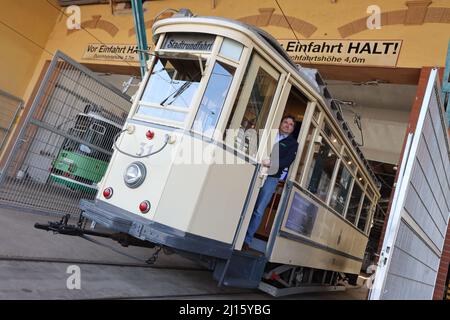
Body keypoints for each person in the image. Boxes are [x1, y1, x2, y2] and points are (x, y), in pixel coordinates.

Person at [243, 115, 299, 250]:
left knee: (258, 209)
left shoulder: (293, 144)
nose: (287, 125)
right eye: (285, 122)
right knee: (246, 202)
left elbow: (287, 162)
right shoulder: (269, 134)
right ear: (280, 123)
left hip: (272, 177)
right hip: (255, 170)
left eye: (291, 124)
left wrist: (271, 163)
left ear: (293, 129)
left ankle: (246, 240)